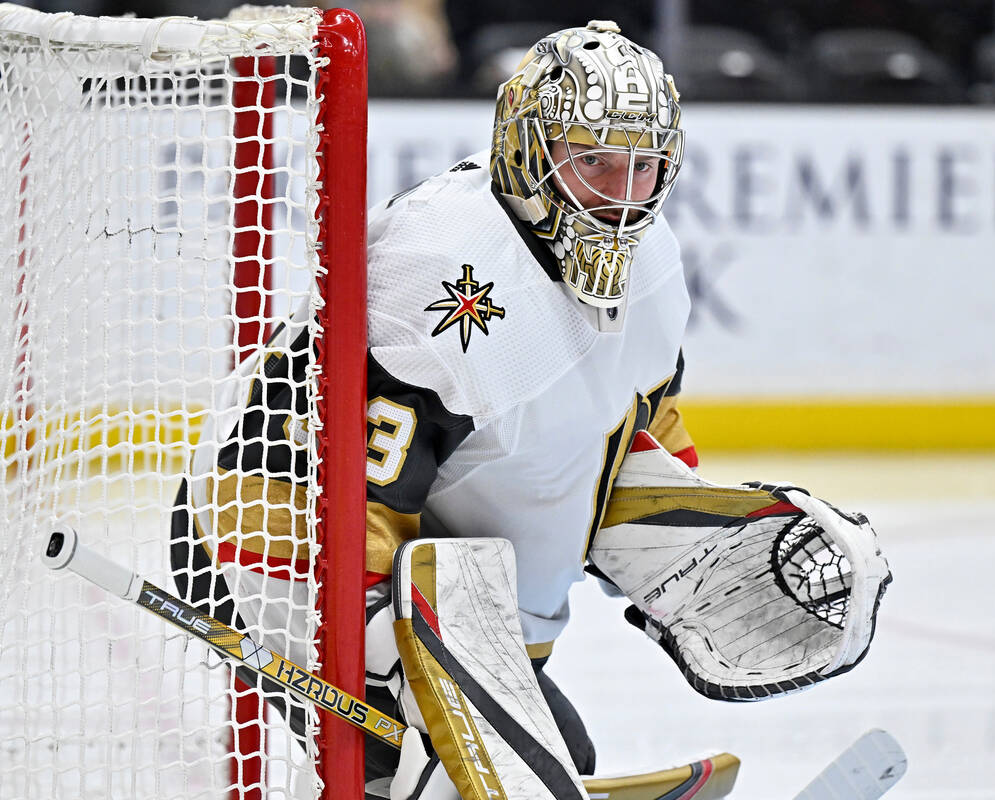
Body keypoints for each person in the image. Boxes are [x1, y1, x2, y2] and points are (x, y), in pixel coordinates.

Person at [171, 19, 888, 800]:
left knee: (556, 758)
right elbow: (341, 495)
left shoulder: (652, 265)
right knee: (437, 778)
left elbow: (628, 429)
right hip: (275, 548)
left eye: (643, 167)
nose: (621, 195)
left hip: (446, 595)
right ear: (528, 149)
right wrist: (405, 668)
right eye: (594, 162)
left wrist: (694, 540)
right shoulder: (439, 276)